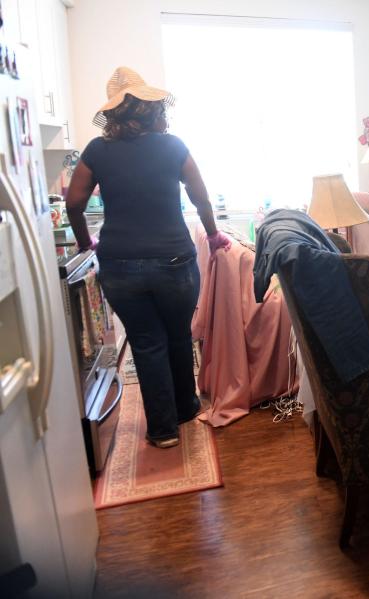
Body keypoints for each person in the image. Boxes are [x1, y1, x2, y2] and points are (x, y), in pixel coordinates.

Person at [66, 67, 231, 449]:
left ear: (114, 114)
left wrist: (84, 241)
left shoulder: (96, 151)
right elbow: (200, 196)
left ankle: (162, 430)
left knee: (146, 341)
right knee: (177, 335)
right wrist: (212, 232)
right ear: (151, 106)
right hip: (174, 260)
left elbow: (74, 203)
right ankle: (186, 408)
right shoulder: (173, 146)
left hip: (120, 264)